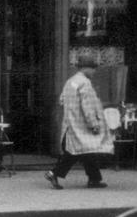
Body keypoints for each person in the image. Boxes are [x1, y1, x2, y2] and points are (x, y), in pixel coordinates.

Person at [45, 54, 113, 190]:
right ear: (86, 68)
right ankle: (54, 173)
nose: (94, 71)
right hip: (81, 125)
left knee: (87, 151)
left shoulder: (70, 82)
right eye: (93, 68)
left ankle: (94, 179)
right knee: (76, 152)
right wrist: (94, 124)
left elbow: (61, 100)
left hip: (70, 123)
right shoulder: (85, 83)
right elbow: (88, 107)